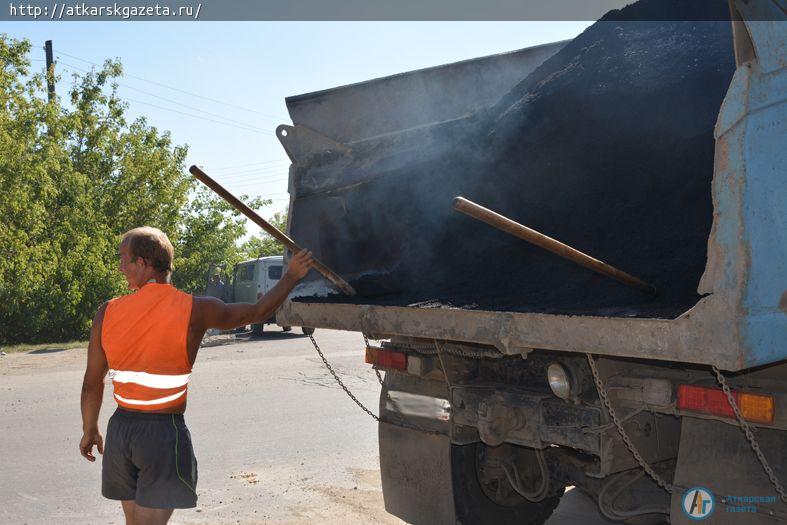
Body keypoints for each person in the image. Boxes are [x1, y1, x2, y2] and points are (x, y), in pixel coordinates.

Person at [79, 226, 313, 525]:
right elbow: (256, 312)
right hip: (161, 434)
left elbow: (91, 382)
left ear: (143, 263)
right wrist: (291, 276)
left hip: (120, 432)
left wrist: (90, 428)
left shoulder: (106, 312)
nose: (120, 266)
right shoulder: (196, 309)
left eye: (124, 258)